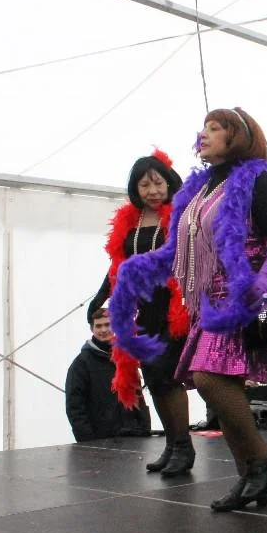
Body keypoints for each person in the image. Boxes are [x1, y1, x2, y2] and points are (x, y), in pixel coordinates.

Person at [111, 107, 267, 512]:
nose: (203, 134)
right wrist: (136, 269)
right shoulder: (197, 189)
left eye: (215, 128)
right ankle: (250, 476)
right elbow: (177, 250)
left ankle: (260, 457)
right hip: (208, 303)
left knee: (207, 379)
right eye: (203, 127)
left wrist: (265, 279)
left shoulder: (258, 180)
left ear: (237, 136)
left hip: (243, 298)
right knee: (220, 389)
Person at [88, 149, 194, 477]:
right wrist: (101, 297)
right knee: (153, 377)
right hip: (144, 307)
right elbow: (118, 266)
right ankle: (172, 444)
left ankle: (184, 445)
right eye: (144, 185)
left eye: (157, 183)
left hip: (174, 304)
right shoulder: (130, 220)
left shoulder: (180, 214)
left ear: (169, 182)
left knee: (167, 374)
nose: (152, 191)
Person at [65, 308, 151, 442]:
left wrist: (145, 427)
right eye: (98, 326)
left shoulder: (126, 358)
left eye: (107, 324)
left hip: (134, 437)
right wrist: (88, 442)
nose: (104, 330)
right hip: (101, 441)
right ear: (92, 329)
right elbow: (75, 406)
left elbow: (139, 398)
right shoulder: (81, 364)